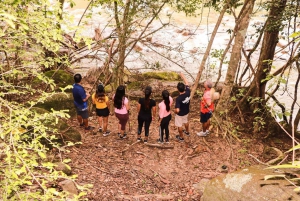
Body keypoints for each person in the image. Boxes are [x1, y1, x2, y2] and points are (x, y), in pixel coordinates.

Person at [174, 72, 190, 142]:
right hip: (186, 111)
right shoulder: (188, 91)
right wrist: (182, 76)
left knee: (179, 125)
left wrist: (175, 111)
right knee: (186, 121)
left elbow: (177, 110)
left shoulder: (178, 99)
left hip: (180, 114)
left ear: (178, 89)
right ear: (184, 88)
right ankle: (187, 131)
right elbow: (187, 83)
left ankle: (181, 137)